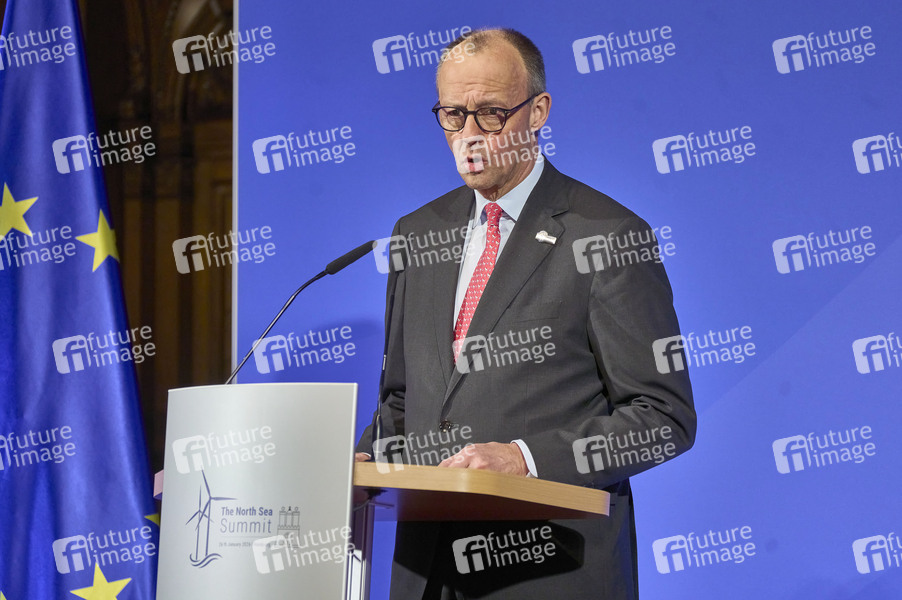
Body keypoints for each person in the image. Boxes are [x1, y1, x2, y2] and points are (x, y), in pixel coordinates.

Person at [357, 28, 695, 600]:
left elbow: (664, 418)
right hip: (427, 573)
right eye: (452, 115)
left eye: (491, 114)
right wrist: (361, 463)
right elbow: (402, 401)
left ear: (538, 112)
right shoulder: (417, 233)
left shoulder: (605, 235)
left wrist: (526, 459)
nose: (469, 134)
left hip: (549, 572)